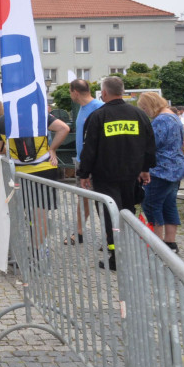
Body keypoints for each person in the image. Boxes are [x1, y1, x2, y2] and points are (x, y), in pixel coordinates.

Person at [78, 76, 156, 271]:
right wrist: (145, 169)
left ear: (104, 93)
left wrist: (84, 174)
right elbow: (149, 145)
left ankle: (116, 257)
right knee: (127, 213)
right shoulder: (139, 114)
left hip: (105, 176)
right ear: (122, 91)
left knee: (110, 215)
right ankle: (127, 252)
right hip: (131, 176)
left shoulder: (98, 116)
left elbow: (89, 149)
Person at [0, 102, 69, 250]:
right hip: (44, 170)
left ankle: (19, 251)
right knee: (40, 215)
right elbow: (64, 129)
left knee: (19, 213)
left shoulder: (2, 121)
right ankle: (38, 251)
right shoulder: (39, 115)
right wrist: (52, 149)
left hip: (18, 174)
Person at [137, 92, 184, 253]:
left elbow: (152, 145)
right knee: (169, 204)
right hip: (177, 166)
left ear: (150, 105)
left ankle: (156, 244)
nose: (145, 112)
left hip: (161, 169)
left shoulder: (160, 120)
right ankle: (170, 242)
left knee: (152, 204)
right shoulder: (173, 116)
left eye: (144, 108)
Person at [67, 79, 103, 244]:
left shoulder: (98, 107)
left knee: (101, 200)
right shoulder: (82, 108)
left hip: (95, 162)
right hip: (81, 161)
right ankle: (79, 232)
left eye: (70, 92)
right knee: (82, 197)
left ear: (75, 91)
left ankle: (110, 237)